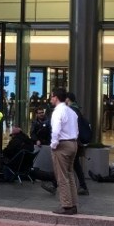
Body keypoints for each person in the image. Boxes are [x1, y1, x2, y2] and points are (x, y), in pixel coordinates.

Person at [50, 87, 80, 215]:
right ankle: (73, 204)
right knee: (69, 174)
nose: (50, 99)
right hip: (73, 143)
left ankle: (66, 205)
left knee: (61, 176)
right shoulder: (71, 111)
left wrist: (53, 144)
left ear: (56, 98)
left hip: (62, 145)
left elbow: (56, 130)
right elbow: (76, 130)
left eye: (52, 96)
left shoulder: (58, 111)